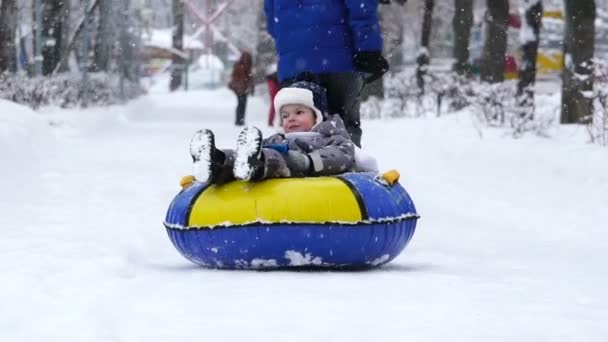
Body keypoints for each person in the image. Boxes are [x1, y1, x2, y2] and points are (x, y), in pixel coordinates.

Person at [263, 0, 390, 147]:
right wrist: (369, 48)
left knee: (299, 132)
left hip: (293, 62)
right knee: (344, 128)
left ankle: (304, 164)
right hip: (339, 59)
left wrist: (296, 41)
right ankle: (345, 165)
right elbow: (361, 7)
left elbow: (272, 22)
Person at [189, 81, 356, 184]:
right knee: (244, 155)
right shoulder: (277, 138)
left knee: (278, 158)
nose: (291, 119)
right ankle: (216, 162)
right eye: (285, 115)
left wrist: (307, 161)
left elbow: (342, 156)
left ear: (317, 116)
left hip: (298, 170)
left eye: (299, 113)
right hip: (271, 169)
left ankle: (256, 162)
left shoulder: (327, 137)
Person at [228, 51, 254, 126]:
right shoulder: (241, 66)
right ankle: (239, 119)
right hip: (240, 89)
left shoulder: (245, 66)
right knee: (241, 103)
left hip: (242, 88)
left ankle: (240, 119)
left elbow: (249, 78)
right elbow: (238, 78)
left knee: (242, 104)